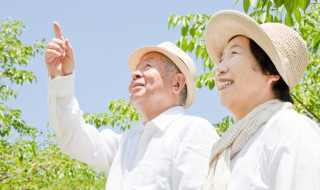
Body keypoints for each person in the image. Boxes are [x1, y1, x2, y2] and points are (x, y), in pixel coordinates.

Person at [45, 22, 219, 189]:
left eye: (148, 66)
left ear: (177, 83)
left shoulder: (193, 131)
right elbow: (73, 138)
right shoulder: (125, 145)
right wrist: (61, 78)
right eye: (136, 69)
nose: (135, 73)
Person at [202, 10, 320, 190]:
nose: (219, 68)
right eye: (221, 58)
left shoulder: (290, 129)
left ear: (272, 72)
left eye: (234, 53)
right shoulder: (228, 152)